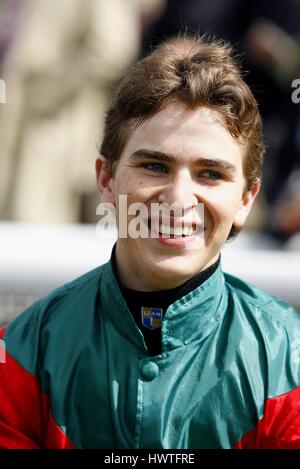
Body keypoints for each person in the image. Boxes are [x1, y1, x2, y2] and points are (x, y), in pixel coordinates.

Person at [1, 35, 300, 450]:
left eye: (210, 174)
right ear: (106, 179)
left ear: (246, 200)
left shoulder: (291, 358)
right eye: (155, 165)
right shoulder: (20, 352)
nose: (178, 199)